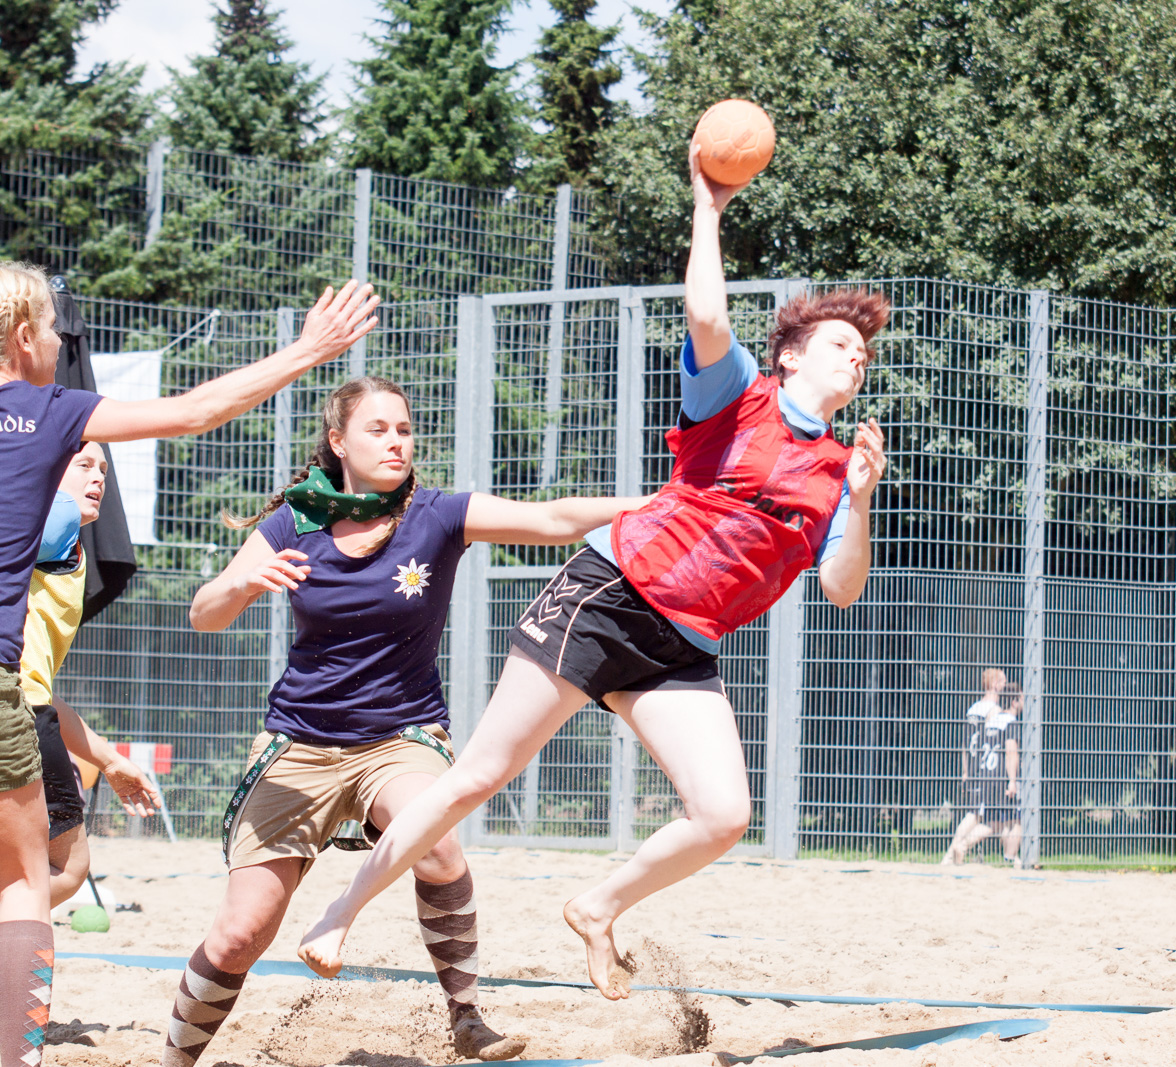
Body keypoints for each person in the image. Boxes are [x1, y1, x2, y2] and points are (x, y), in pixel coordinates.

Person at [296, 142, 891, 1001]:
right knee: (482, 773)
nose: (856, 355)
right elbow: (707, 314)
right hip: (607, 596)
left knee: (724, 815)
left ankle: (597, 904)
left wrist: (863, 501)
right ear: (792, 357)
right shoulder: (741, 395)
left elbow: (841, 587)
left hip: (680, 645)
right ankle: (341, 910)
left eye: (864, 351)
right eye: (840, 342)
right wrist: (709, 208)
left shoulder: (838, 470)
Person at [160, 376, 648, 1067]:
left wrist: (658, 504)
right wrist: (240, 583)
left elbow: (554, 519)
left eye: (404, 428)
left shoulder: (436, 515)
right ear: (338, 442)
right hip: (298, 742)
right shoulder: (295, 521)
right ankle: (175, 1058)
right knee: (242, 933)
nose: (396, 441)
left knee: (441, 846)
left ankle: (466, 1016)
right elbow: (204, 611)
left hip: (399, 737)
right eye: (377, 429)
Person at [0, 261, 377, 1067]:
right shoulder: (50, 410)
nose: (62, 344)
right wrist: (310, 350)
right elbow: (197, 411)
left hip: (23, 693)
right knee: (29, 880)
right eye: (55, 333)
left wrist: (99, 753)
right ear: (25, 338)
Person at [25, 441, 162, 909]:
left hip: (23, 704)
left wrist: (109, 760)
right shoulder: (53, 516)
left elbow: (36, 690)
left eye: (104, 467)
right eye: (84, 464)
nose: (99, 476)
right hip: (17, 719)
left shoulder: (65, 544)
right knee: (63, 870)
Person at [942, 670, 1023, 868]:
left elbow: (966, 742)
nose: (1005, 687)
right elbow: (1001, 745)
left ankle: (1010, 858)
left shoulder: (973, 708)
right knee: (981, 818)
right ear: (996, 684)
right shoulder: (995, 712)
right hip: (989, 770)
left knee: (989, 817)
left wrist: (965, 771)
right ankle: (954, 852)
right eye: (1003, 682)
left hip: (976, 767)